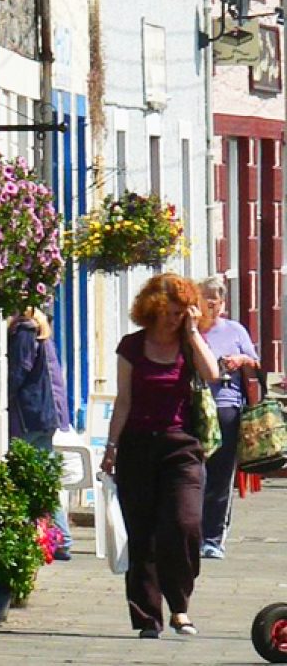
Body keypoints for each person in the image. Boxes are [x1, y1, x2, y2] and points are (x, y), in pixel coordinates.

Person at [100, 273, 220, 639]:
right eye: (168, 312)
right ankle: (147, 617)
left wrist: (194, 333)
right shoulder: (132, 347)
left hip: (181, 445)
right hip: (137, 446)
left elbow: (212, 374)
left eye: (180, 312)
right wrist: (111, 447)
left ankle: (180, 607)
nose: (173, 319)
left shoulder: (189, 345)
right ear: (151, 311)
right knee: (143, 534)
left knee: (184, 525)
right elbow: (124, 401)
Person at [197, 275, 260, 560]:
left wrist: (241, 360)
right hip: (194, 407)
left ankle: (212, 538)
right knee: (194, 473)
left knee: (220, 475)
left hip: (226, 406)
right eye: (207, 300)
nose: (212, 307)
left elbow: (255, 366)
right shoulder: (190, 330)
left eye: (217, 301)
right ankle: (191, 533)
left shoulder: (235, 330)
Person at [7, 307, 73, 560]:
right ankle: (61, 540)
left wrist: (3, 395)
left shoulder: (25, 330)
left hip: (30, 416)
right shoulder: (41, 332)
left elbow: (18, 371)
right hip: (44, 416)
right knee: (44, 480)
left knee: (31, 479)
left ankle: (55, 539)